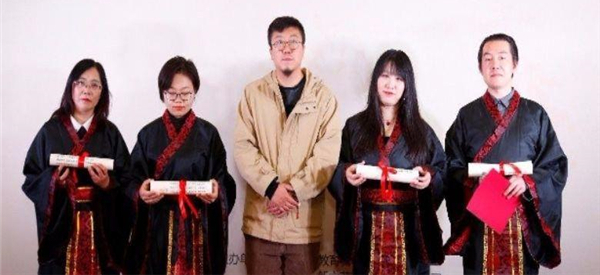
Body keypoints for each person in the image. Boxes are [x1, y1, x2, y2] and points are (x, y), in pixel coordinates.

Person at [444, 33, 568, 275]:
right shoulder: (466, 116)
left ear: (514, 64)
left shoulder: (535, 114)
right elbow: (450, 166)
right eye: (487, 59)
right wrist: (472, 182)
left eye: (502, 57)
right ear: (480, 67)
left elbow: (554, 166)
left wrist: (527, 182)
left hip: (522, 224)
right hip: (480, 221)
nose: (495, 64)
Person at [234, 16, 341, 275]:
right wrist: (272, 188)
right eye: (279, 42)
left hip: (303, 227)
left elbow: (326, 157)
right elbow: (243, 147)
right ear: (270, 51)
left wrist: (292, 192)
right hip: (261, 223)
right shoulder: (253, 94)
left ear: (303, 48)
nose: (286, 48)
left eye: (293, 42)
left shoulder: (324, 98)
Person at [329, 49, 445, 275]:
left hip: (409, 232)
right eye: (385, 76)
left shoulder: (422, 131)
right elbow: (335, 169)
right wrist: (346, 174)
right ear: (375, 80)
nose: (391, 84)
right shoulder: (354, 127)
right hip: (366, 230)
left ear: (407, 85)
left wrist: (428, 178)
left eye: (399, 78)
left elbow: (442, 171)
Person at [125, 56, 235, 274]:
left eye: (185, 93)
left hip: (197, 225)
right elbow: (130, 179)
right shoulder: (148, 134)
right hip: (158, 227)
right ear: (162, 93)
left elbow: (223, 180)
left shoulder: (209, 134)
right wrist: (140, 192)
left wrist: (216, 192)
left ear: (195, 93)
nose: (179, 99)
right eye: (172, 93)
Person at [22, 59, 132, 274]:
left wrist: (107, 183)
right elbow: (31, 177)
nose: (86, 90)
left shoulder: (110, 133)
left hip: (100, 226)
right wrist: (54, 181)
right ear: (71, 87)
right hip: (62, 224)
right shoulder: (50, 131)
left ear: (102, 93)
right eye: (81, 83)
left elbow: (127, 180)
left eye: (94, 85)